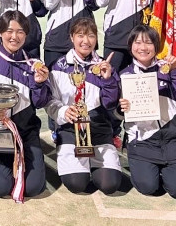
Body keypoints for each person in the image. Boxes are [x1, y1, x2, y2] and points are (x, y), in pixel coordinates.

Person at [93, 0, 159, 149]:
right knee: (113, 84)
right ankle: (112, 131)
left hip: (144, 39)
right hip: (118, 36)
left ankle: (137, 132)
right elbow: (99, 1)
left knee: (142, 85)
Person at [0, 10, 51, 201]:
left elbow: (41, 102)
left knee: (34, 188)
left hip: (26, 133)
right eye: (9, 31)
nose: (14, 36)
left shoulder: (34, 64)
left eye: (20, 32)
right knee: (0, 188)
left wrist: (40, 83)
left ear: (26, 35)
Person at [118, 25, 176, 199]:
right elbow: (115, 113)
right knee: (147, 187)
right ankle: (150, 170)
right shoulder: (124, 76)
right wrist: (121, 109)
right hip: (143, 142)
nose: (143, 47)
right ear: (130, 46)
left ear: (156, 46)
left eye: (148, 42)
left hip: (174, 140)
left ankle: (173, 174)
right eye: (137, 42)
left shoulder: (168, 70)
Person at [47, 17, 122, 194]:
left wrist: (108, 79)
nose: (86, 41)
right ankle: (66, 148)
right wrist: (64, 111)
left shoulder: (104, 66)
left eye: (91, 36)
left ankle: (96, 161)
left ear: (96, 39)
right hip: (70, 129)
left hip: (99, 129)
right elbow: (50, 101)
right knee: (76, 184)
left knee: (109, 185)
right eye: (80, 35)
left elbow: (111, 103)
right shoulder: (58, 66)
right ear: (72, 37)